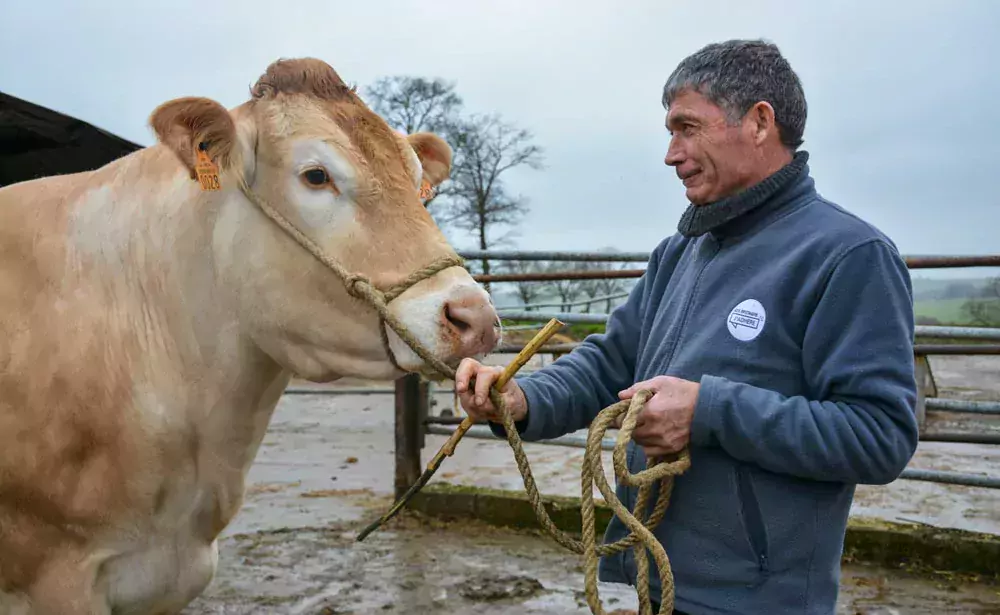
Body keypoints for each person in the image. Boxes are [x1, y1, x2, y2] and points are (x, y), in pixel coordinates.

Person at [455, 39, 919, 615]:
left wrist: (708, 411)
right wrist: (522, 397)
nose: (672, 154)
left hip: (757, 599)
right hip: (655, 579)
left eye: (688, 127)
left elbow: (880, 436)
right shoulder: (680, 252)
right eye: (670, 132)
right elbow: (611, 363)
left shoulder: (849, 255)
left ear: (759, 122)